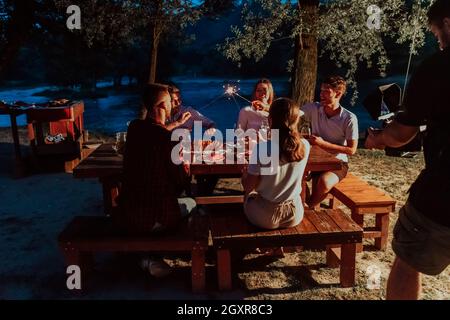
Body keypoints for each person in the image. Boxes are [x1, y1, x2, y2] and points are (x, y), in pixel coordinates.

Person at [365, 0, 450, 300]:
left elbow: (402, 133)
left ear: (448, 23)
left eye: (437, 33)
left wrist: (378, 139)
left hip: (442, 196)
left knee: (408, 262)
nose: (437, 41)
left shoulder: (439, 66)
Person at [115, 83, 196, 277]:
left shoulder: (134, 128)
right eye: (169, 103)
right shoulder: (168, 140)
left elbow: (155, 133)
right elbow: (181, 182)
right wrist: (184, 165)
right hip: (154, 218)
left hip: (128, 212)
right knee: (193, 203)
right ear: (160, 107)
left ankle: (146, 254)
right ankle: (162, 250)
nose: (172, 107)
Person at [242, 97, 310, 230]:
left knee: (247, 198)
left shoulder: (262, 148)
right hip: (294, 213)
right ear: (296, 120)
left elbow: (248, 186)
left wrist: (245, 173)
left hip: (265, 216)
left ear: (270, 120)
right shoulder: (305, 146)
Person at [301, 76, 359, 208]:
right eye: (321, 91)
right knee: (295, 176)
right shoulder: (314, 108)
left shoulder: (349, 118)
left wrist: (322, 144)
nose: (321, 95)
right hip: (314, 161)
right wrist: (267, 107)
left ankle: (307, 208)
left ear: (338, 93)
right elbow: (290, 112)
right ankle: (303, 205)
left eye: (326, 91)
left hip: (337, 164)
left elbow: (352, 150)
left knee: (325, 182)